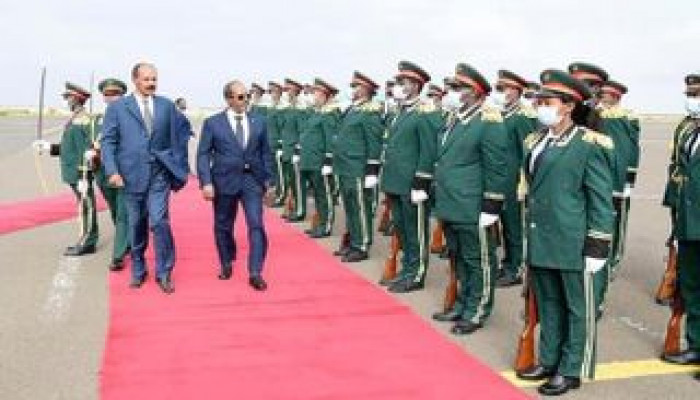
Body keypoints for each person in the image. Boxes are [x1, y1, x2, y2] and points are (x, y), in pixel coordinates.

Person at [515, 69, 614, 396]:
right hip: (542, 236)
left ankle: (571, 369)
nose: (541, 106)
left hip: (573, 239)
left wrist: (598, 244)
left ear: (569, 106)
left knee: (577, 307)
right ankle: (549, 360)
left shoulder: (589, 144)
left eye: (548, 101)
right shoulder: (536, 140)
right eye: (539, 101)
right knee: (549, 303)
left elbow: (600, 199)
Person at [430, 63, 509, 334]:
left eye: (457, 87)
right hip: (451, 202)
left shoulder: (488, 122)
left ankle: (477, 310)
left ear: (475, 92)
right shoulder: (456, 119)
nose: (450, 92)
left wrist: (492, 204)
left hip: (472, 204)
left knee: (479, 260)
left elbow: (496, 166)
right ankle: (462, 303)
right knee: (459, 258)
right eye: (451, 87)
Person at [101, 62, 190, 294]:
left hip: (159, 175)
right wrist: (112, 171)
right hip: (130, 176)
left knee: (159, 222)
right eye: (147, 79)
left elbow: (179, 136)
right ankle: (139, 269)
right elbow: (108, 142)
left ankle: (164, 272)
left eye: (154, 79)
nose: (151, 83)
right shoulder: (118, 108)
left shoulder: (166, 106)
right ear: (135, 80)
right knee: (137, 224)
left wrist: (178, 166)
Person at [196, 81, 275, 291]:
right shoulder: (213, 123)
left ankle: (255, 272)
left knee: (256, 224)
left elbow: (266, 153)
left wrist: (269, 182)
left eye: (247, 96)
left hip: (252, 180)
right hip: (224, 181)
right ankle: (226, 261)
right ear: (229, 99)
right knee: (223, 225)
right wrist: (206, 182)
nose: (245, 100)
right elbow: (203, 154)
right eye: (240, 97)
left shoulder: (259, 121)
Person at [380, 61, 441, 293]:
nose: (399, 86)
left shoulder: (425, 112)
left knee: (416, 230)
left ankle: (416, 274)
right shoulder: (402, 111)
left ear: (416, 85)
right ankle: (407, 269)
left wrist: (422, 181)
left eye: (404, 82)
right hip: (396, 180)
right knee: (402, 229)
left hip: (412, 182)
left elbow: (428, 149)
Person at [660, 73, 700, 376]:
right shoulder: (690, 132)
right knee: (692, 287)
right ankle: (696, 345)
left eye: (697, 94)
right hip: (689, 223)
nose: (692, 100)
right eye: (690, 94)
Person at [33, 82, 99, 256]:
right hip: (73, 171)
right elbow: (68, 147)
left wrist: (85, 174)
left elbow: (87, 149)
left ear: (77, 98)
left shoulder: (84, 119)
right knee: (82, 207)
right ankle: (84, 238)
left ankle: (88, 241)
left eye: (68, 97)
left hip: (80, 172)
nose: (66, 100)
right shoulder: (74, 118)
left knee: (87, 206)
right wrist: (49, 147)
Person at [490, 70, 539, 287]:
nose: (501, 93)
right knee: (503, 225)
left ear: (517, 91)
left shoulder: (522, 117)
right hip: (499, 180)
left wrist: (524, 182)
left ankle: (517, 267)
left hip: (514, 182)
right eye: (499, 88)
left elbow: (527, 151)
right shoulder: (502, 114)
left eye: (505, 89)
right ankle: (508, 263)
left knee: (514, 227)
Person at [331, 71, 384, 262]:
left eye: (356, 86)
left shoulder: (370, 112)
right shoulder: (352, 110)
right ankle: (353, 241)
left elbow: (374, 142)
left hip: (358, 167)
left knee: (361, 207)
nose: (353, 90)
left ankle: (362, 245)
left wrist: (372, 170)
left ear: (366, 89)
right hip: (345, 166)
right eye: (353, 86)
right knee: (350, 207)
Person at [91, 78, 130, 271]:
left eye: (115, 94)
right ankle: (127, 240)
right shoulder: (96, 120)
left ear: (122, 96)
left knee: (123, 213)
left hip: (123, 172)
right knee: (114, 211)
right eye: (107, 94)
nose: (111, 97)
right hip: (102, 172)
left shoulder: (129, 116)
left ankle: (118, 255)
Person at [298, 78, 341, 238]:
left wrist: (328, 161)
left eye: (316, 93)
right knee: (317, 195)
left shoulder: (329, 115)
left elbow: (331, 140)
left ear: (324, 95)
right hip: (311, 161)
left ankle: (326, 226)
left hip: (320, 162)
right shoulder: (317, 113)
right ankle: (319, 223)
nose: (313, 96)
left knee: (325, 195)